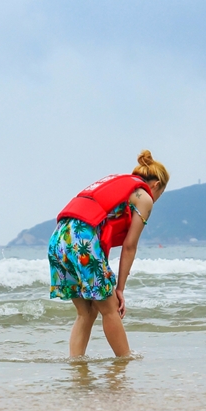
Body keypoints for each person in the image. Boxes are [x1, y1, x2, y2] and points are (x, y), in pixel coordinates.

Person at [48, 149, 169, 357]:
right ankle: (124, 364)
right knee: (110, 307)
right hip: (82, 238)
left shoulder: (117, 181)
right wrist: (120, 289)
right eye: (160, 194)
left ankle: (77, 367)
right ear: (156, 186)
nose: (155, 199)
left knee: (86, 312)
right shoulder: (144, 197)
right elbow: (129, 246)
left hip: (59, 238)